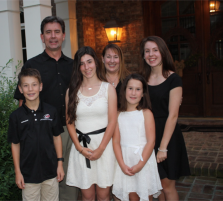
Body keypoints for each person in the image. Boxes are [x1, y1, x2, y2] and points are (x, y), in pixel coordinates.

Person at [13, 16, 79, 201]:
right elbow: (22, 102)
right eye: (48, 32)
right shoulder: (32, 65)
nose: (53, 36)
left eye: (57, 32)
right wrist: (25, 133)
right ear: (42, 37)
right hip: (40, 129)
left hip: (69, 129)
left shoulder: (73, 65)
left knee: (68, 176)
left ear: (63, 36)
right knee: (42, 179)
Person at [139, 36, 190, 201]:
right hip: (147, 135)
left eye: (155, 50)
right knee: (156, 186)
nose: (151, 54)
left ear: (163, 52)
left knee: (167, 186)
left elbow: (173, 115)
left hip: (167, 137)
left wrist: (163, 148)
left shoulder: (173, 79)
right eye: (147, 51)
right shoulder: (142, 80)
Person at [65, 46, 117, 201]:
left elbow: (112, 121)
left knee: (103, 195)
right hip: (81, 148)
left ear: (96, 62)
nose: (87, 67)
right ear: (78, 67)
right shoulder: (72, 91)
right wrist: (80, 149)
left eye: (89, 61)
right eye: (82, 64)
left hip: (104, 147)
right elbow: (69, 122)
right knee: (87, 196)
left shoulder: (108, 89)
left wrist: (101, 149)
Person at [8, 68, 64, 201]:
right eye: (26, 86)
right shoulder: (16, 116)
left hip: (51, 173)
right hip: (28, 176)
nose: (30, 89)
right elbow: (15, 144)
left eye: (34, 85)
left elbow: (57, 138)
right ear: (20, 89)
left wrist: (60, 164)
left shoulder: (51, 111)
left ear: (40, 86)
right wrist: (18, 172)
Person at [112, 73, 162, 201]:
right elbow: (116, 141)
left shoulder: (146, 113)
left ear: (143, 93)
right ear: (124, 91)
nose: (133, 93)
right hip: (124, 160)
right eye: (130, 88)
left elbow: (151, 142)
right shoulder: (118, 114)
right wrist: (122, 164)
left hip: (142, 160)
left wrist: (140, 164)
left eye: (138, 89)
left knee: (144, 194)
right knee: (130, 195)